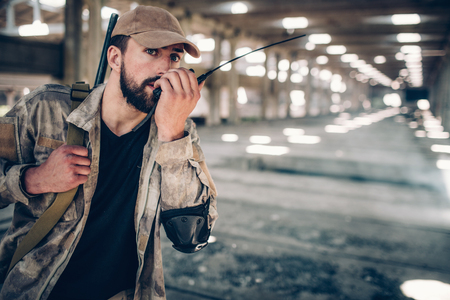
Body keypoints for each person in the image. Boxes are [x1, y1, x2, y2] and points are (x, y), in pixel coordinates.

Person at [0, 5, 218, 300]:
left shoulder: (178, 132)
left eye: (175, 56)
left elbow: (191, 237)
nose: (166, 67)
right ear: (115, 58)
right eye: (152, 51)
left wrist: (172, 134)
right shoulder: (45, 109)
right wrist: (33, 180)